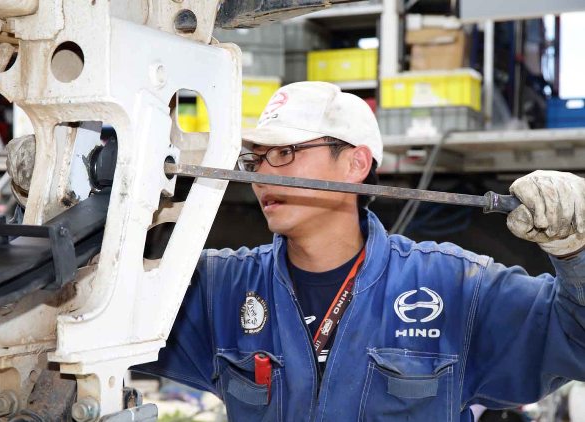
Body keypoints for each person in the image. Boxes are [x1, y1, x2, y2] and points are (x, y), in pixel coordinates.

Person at [133, 81, 585, 421]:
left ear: (355, 164)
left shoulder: (454, 289)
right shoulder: (220, 289)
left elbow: (575, 338)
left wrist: (574, 251)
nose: (262, 176)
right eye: (255, 159)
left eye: (286, 152)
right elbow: (98, 316)